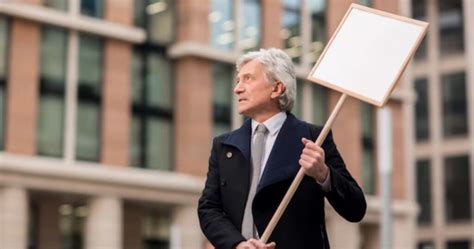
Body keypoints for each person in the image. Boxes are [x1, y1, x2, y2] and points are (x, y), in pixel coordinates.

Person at [198, 48, 366, 249]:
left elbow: (356, 208)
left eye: (248, 79)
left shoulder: (314, 138)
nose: (237, 89)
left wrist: (323, 174)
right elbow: (209, 209)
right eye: (237, 81)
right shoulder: (223, 145)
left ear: (277, 88)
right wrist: (237, 244)